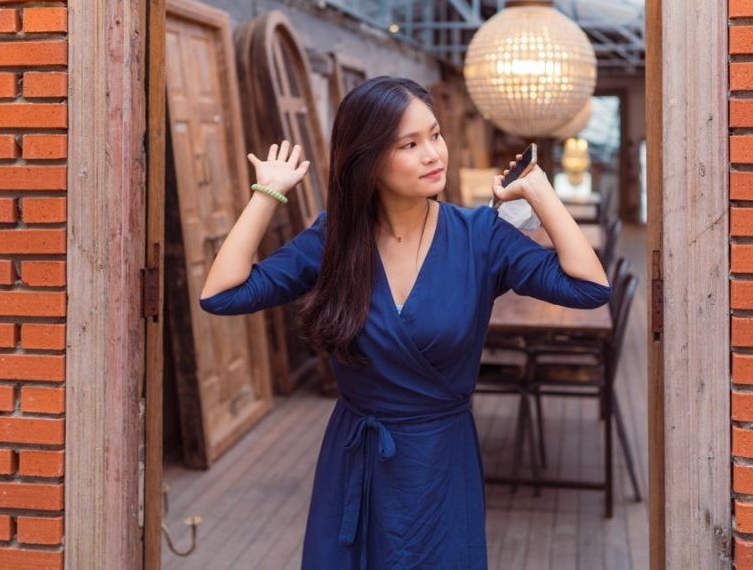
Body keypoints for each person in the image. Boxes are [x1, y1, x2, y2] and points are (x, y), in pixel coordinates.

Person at [198, 76, 610, 569]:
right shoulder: (334, 239)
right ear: (367, 159)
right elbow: (221, 295)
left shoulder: (482, 237)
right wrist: (268, 194)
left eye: (435, 135)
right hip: (356, 460)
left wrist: (541, 193)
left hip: (439, 464)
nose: (433, 154)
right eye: (409, 144)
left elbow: (590, 288)